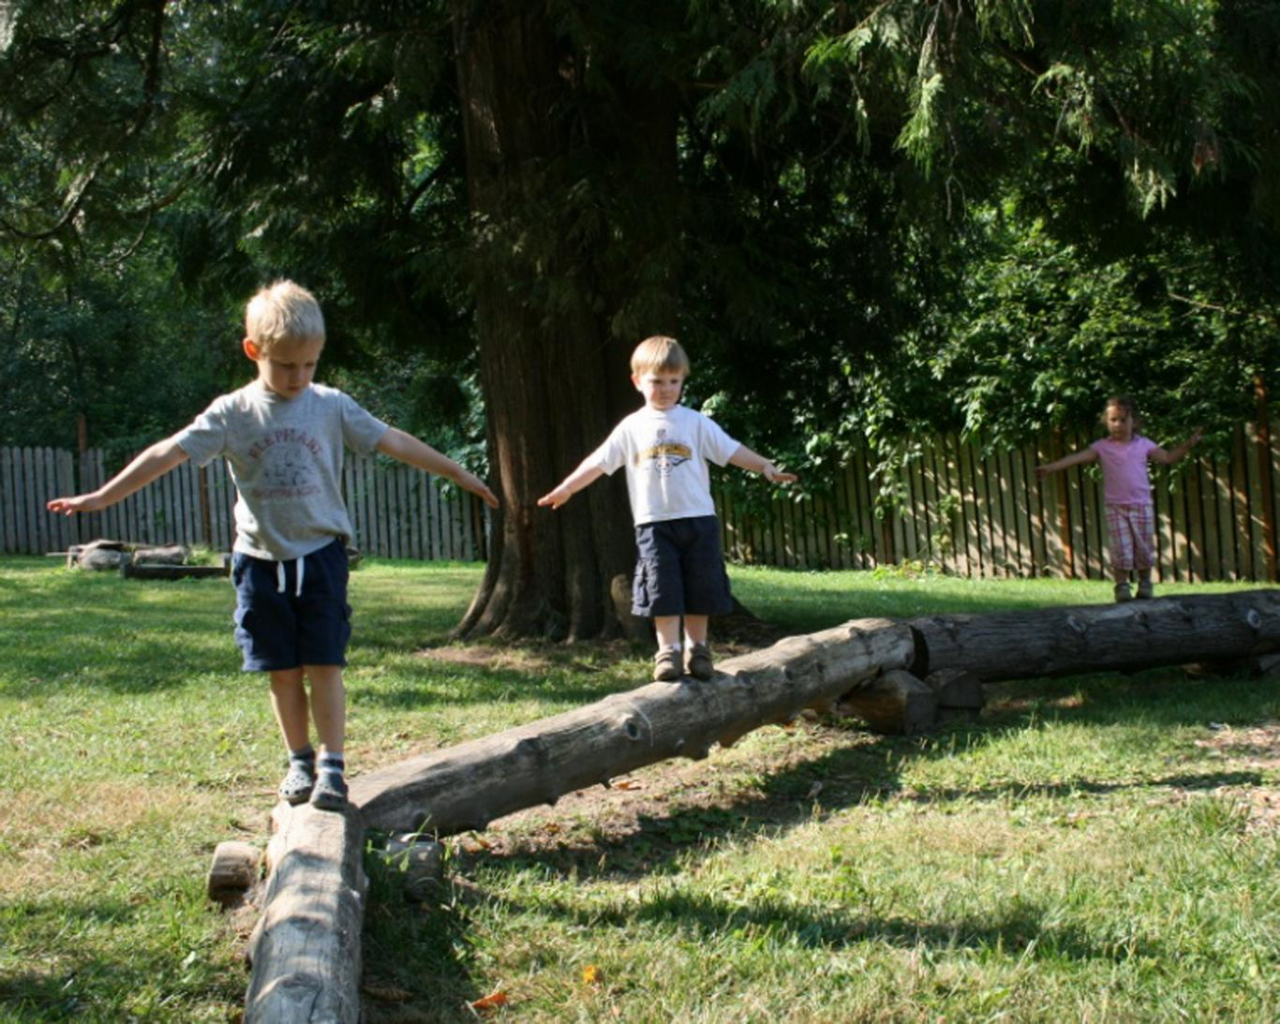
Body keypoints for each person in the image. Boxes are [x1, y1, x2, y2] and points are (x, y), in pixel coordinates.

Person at [47, 280, 500, 810]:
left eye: (309, 365)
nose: (299, 377)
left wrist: (459, 472)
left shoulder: (330, 405)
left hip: (321, 557)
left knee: (325, 663)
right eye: (286, 365)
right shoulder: (233, 413)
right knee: (281, 669)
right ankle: (299, 759)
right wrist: (102, 497)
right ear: (253, 350)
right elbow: (167, 453)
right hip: (259, 562)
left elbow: (393, 439)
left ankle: (333, 766)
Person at [538, 335, 797, 682]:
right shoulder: (631, 427)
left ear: (682, 381)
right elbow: (599, 462)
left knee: (700, 588)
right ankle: (668, 653)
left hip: (699, 522)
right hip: (654, 525)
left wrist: (765, 466)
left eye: (674, 381)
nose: (666, 389)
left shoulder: (695, 422)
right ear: (637, 381)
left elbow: (731, 450)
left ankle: (698, 650)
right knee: (663, 589)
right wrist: (567, 487)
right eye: (656, 381)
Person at [1035, 395, 1201, 602]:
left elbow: (1167, 458)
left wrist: (1188, 445)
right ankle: (1122, 586)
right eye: (1113, 420)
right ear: (1106, 422)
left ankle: (1145, 583)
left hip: (1141, 505)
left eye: (1123, 420)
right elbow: (1076, 458)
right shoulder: (1102, 447)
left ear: (1134, 422)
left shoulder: (1144, 445)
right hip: (1116, 507)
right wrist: (1051, 468)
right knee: (1121, 548)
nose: (1118, 425)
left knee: (1143, 546)